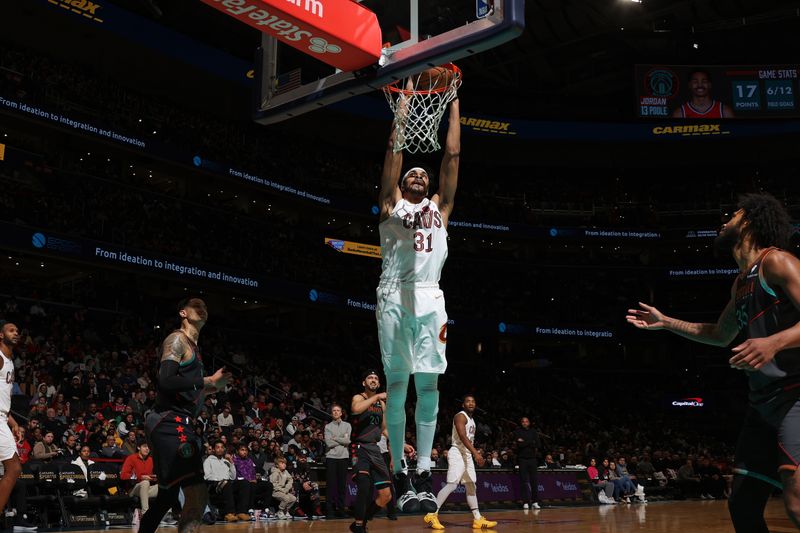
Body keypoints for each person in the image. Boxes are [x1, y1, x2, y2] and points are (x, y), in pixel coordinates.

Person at [626, 193, 800, 532]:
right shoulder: (741, 284)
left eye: (733, 214)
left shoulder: (777, 262)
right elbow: (719, 334)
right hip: (762, 405)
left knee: (795, 501)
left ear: (750, 221)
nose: (725, 219)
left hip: (796, 394)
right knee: (743, 506)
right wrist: (666, 322)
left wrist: (774, 342)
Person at [376, 89, 462, 512]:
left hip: (431, 299)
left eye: (422, 176)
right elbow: (394, 150)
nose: (418, 176)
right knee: (397, 385)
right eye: (412, 173)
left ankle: (424, 470)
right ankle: (398, 468)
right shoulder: (391, 205)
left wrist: (453, 100)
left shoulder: (440, 209)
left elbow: (452, 157)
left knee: (428, 384)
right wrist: (406, 102)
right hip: (394, 294)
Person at [139, 298, 231, 533]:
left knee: (168, 496)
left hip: (176, 422)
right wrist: (207, 381)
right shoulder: (177, 339)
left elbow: (187, 386)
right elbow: (166, 380)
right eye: (196, 306)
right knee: (197, 492)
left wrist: (213, 387)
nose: (203, 309)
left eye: (205, 307)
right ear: (183, 312)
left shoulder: (195, 348)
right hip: (169, 421)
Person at [424, 395, 496, 530]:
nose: (471, 403)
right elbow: (462, 436)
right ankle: (432, 514)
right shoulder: (460, 416)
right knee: (452, 485)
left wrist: (472, 453)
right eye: (468, 401)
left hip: (467, 455)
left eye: (473, 401)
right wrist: (476, 453)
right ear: (463, 405)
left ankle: (477, 519)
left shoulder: (473, 420)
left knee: (471, 486)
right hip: (457, 452)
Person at [0, 323, 36, 531]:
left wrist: (13, 424)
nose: (16, 333)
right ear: (1, 334)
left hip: (3, 418)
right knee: (13, 468)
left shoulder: (10, 362)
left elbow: (3, 402)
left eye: (17, 331)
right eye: (11, 330)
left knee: (12, 469)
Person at [349, 370, 394, 533]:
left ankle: (360, 522)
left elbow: (384, 428)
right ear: (364, 383)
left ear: (379, 383)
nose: (373, 380)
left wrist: (400, 444)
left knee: (386, 495)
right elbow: (355, 409)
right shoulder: (359, 397)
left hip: (374, 449)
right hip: (359, 447)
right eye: (370, 377)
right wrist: (377, 396)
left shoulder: (381, 404)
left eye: (376, 378)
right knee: (364, 486)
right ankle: (360, 525)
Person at [323, 403, 351, 518]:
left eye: (337, 410)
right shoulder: (328, 426)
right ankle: (329, 510)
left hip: (343, 457)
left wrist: (335, 438)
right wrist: (341, 439)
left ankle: (341, 510)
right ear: (331, 413)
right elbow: (328, 443)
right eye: (333, 410)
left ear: (341, 413)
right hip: (331, 458)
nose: (335, 412)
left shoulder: (347, 425)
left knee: (341, 485)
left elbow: (347, 441)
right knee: (330, 485)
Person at [121, 440, 158, 522]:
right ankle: (146, 514)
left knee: (163, 486)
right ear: (138, 447)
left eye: (149, 447)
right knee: (145, 482)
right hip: (133, 488)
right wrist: (141, 477)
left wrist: (155, 477)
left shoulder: (151, 460)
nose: (147, 449)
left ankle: (166, 515)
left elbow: (152, 476)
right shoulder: (131, 458)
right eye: (145, 446)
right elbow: (123, 475)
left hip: (147, 489)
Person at [513, 416, 541, 510]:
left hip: (532, 459)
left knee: (534, 481)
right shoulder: (517, 432)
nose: (525, 423)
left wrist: (525, 442)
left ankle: (535, 502)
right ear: (521, 423)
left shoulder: (534, 431)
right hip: (522, 459)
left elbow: (538, 444)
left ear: (529, 422)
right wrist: (530, 442)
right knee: (524, 481)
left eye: (526, 421)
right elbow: (519, 445)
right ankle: (525, 502)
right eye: (523, 421)